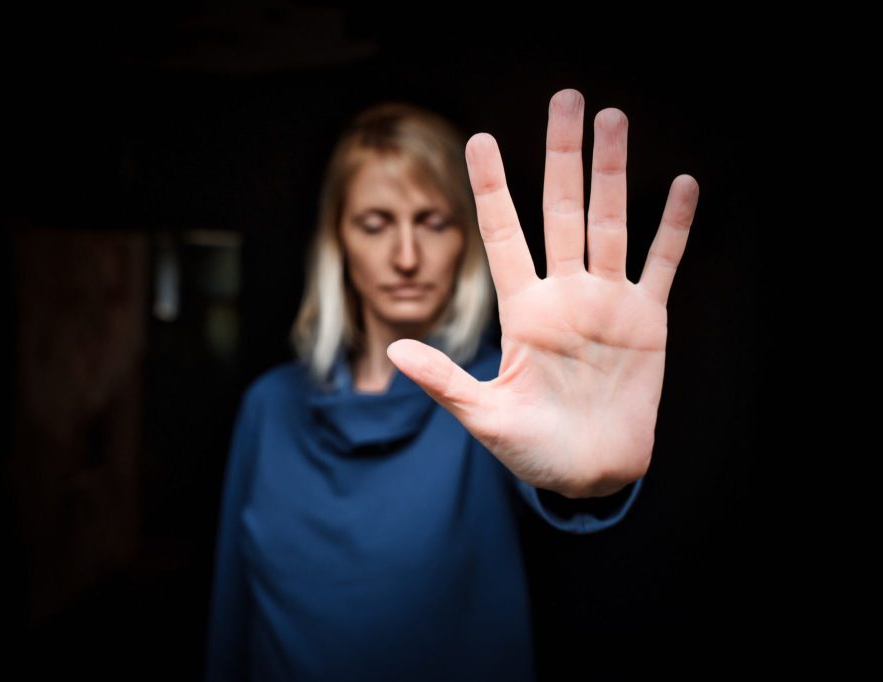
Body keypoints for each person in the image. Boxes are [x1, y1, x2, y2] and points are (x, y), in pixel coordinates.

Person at [203, 88, 699, 681]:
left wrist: (593, 483)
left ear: (466, 236)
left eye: (433, 222)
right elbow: (231, 615)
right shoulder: (269, 406)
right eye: (374, 223)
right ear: (337, 242)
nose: (406, 256)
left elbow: (574, 511)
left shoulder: (504, 390)